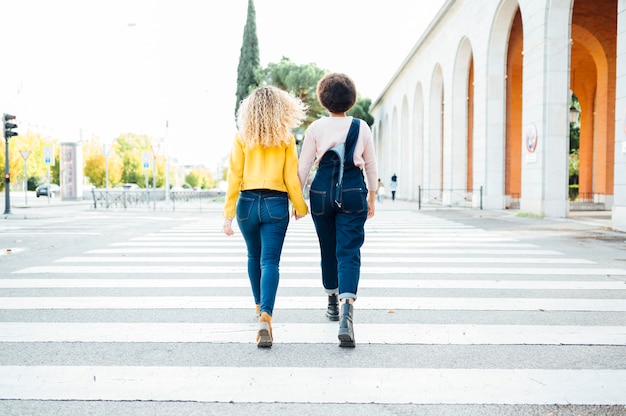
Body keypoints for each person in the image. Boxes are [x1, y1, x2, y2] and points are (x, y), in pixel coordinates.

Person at [223, 86, 309, 348]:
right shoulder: (285, 138)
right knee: (270, 261)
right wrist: (300, 207)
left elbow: (234, 176)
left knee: (253, 256)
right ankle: (266, 316)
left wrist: (228, 215)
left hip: (247, 203)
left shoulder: (242, 137)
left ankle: (259, 306)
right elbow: (290, 178)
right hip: (275, 203)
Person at [297, 72, 378, 348]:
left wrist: (296, 200)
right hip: (353, 190)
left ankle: (331, 301)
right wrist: (372, 196)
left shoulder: (316, 128)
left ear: (323, 99)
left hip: (321, 192)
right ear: (351, 99)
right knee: (349, 251)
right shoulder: (362, 126)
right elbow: (370, 165)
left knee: (328, 248)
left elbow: (304, 166)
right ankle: (346, 313)